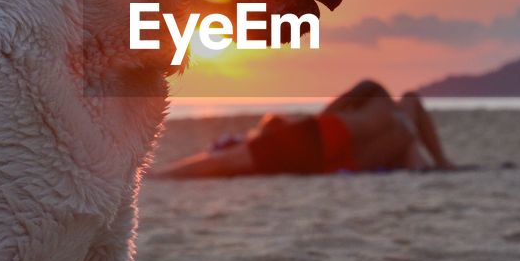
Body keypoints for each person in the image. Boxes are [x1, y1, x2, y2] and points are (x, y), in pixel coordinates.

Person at [153, 80, 455, 178]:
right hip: (333, 145)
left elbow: (220, 161)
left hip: (329, 144)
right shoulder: (399, 125)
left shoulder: (391, 121)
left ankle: (162, 176)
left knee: (229, 163)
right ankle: (441, 164)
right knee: (233, 163)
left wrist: (322, 119)